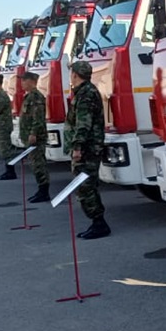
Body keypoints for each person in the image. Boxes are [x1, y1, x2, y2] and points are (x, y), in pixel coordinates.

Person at [65, 60, 109, 238]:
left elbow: (84, 124)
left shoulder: (86, 94)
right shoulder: (85, 92)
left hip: (87, 148)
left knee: (85, 185)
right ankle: (97, 222)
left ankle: (99, 223)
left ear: (75, 74)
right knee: (86, 185)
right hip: (88, 147)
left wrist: (77, 147)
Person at [19, 71, 50, 202]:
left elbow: (38, 118)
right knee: (35, 164)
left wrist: (33, 133)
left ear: (31, 81)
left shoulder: (36, 97)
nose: (22, 83)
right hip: (30, 136)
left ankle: (44, 192)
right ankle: (40, 190)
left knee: (39, 164)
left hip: (36, 137)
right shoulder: (29, 96)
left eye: (24, 80)